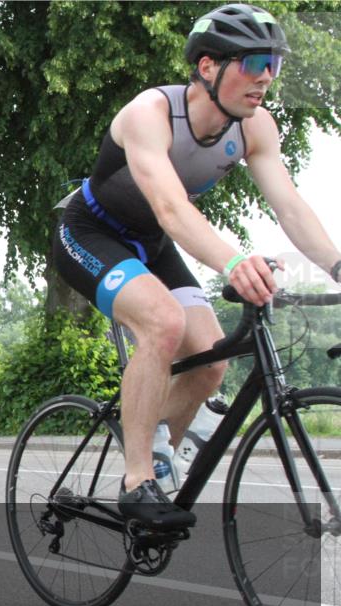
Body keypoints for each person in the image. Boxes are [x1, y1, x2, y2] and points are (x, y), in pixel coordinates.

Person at [50, 4, 341, 529]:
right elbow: (169, 207)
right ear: (208, 66)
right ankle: (136, 481)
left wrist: (338, 265)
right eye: (253, 61)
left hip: (152, 243)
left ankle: (160, 450)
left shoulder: (255, 129)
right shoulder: (150, 114)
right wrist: (232, 262)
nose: (266, 77)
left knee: (211, 362)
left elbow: (291, 207)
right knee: (163, 323)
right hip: (90, 233)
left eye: (273, 63)